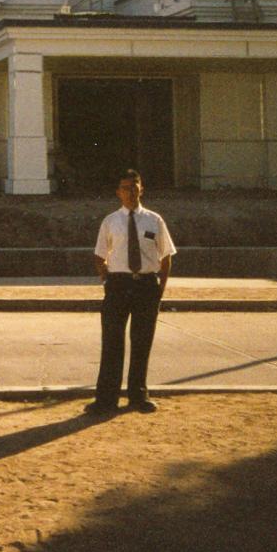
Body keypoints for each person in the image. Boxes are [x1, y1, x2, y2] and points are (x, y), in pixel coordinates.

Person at [86, 168, 176, 417]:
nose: (131, 192)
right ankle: (106, 399)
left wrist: (160, 289)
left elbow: (166, 256)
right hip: (117, 286)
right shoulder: (111, 221)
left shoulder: (154, 220)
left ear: (141, 189)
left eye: (135, 187)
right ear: (118, 193)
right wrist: (108, 280)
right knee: (112, 342)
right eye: (126, 188)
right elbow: (99, 256)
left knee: (142, 341)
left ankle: (138, 396)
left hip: (146, 286)